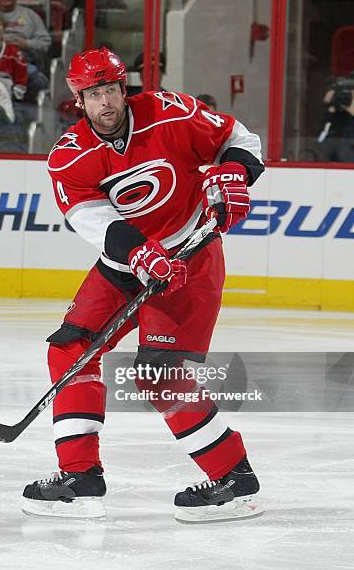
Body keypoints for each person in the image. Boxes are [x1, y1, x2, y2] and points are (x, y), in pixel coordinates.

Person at [22, 48, 265, 522]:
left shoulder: (169, 112)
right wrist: (139, 253)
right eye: (94, 94)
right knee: (69, 347)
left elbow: (239, 138)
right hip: (124, 263)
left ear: (123, 88)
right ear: (79, 99)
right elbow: (90, 218)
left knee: (159, 373)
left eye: (111, 89)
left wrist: (235, 173)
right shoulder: (69, 154)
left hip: (190, 257)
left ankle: (233, 478)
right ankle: (80, 475)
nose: (106, 102)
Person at [317, 80, 354, 161]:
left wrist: (352, 112)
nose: (344, 98)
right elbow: (320, 141)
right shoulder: (332, 115)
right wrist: (330, 111)